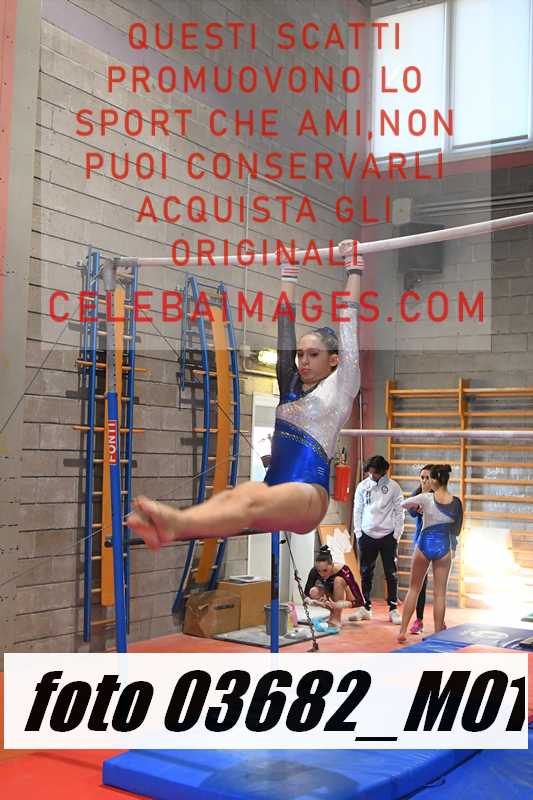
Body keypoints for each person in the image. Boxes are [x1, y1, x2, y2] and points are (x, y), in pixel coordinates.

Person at [126, 240, 363, 548]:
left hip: (308, 491)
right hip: (273, 486)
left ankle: (175, 523)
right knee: (238, 495)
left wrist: (353, 268)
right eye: (301, 354)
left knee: (249, 500)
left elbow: (348, 325)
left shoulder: (341, 387)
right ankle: (173, 528)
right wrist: (288, 273)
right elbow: (285, 327)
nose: (304, 361)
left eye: (313, 355)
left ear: (334, 359)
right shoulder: (290, 384)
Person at [397, 464, 463, 643]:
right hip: (443, 546)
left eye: (429, 478)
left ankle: (402, 631)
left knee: (414, 589)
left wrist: (418, 507)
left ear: (434, 480)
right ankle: (438, 633)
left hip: (424, 544)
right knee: (440, 594)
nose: (426, 481)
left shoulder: (426, 497)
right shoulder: (456, 502)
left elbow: (403, 504)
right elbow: (456, 530)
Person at [349, 455, 404, 624]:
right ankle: (365, 607)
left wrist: (396, 535)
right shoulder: (362, 486)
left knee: (391, 573)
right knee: (366, 572)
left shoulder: (394, 487)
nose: (372, 476)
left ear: (383, 472)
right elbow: (357, 510)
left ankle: (393, 608)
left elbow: (399, 512)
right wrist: (358, 533)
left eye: (375, 473)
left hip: (388, 535)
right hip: (367, 535)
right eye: (370, 473)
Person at [304, 545, 365, 627]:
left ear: (332, 565)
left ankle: (336, 618)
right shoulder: (314, 571)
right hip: (329, 594)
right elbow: (306, 593)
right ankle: (332, 614)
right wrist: (311, 601)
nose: (322, 574)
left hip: (345, 596)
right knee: (313, 591)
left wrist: (342, 604)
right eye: (319, 571)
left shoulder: (344, 570)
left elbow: (360, 601)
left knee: (338, 580)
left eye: (325, 570)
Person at [407, 464, 433, 634]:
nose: (424, 480)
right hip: (421, 542)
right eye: (422, 477)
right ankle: (419, 620)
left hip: (438, 541)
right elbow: (412, 512)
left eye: (427, 478)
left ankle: (440, 620)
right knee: (420, 583)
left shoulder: (440, 496)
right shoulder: (416, 495)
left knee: (440, 584)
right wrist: (419, 503)